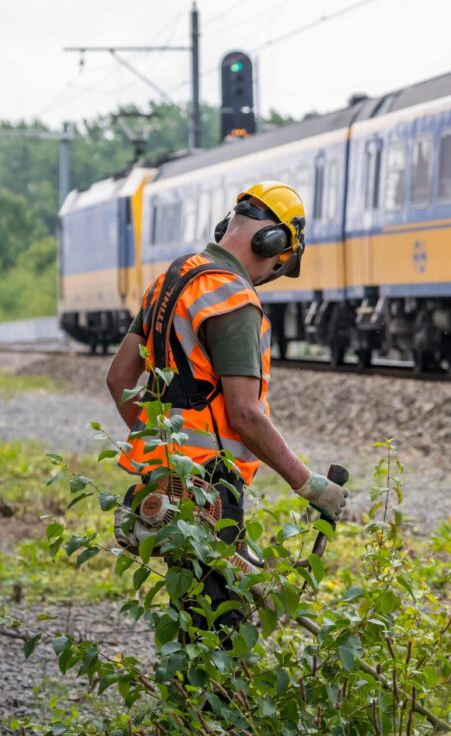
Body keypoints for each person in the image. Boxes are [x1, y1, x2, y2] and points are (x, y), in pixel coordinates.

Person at [105, 181, 348, 639]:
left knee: (191, 618)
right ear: (272, 242)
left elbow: (119, 379)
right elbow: (245, 415)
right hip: (210, 487)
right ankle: (208, 710)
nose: (273, 271)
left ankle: (188, 708)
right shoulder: (232, 296)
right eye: (280, 261)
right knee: (219, 630)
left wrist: (161, 450)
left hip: (167, 481)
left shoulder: (170, 280)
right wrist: (308, 483)